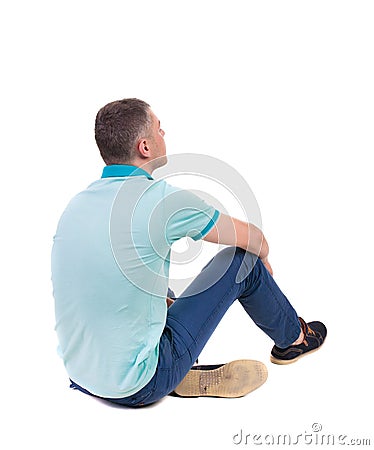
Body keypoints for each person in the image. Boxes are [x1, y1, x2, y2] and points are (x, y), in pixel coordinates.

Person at [51, 98, 327, 407]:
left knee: (141, 275)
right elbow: (252, 238)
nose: (164, 133)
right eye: (159, 128)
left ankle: (161, 359)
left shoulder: (76, 205)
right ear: (144, 146)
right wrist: (260, 258)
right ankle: (294, 339)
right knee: (242, 261)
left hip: (80, 374)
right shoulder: (161, 200)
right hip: (140, 385)